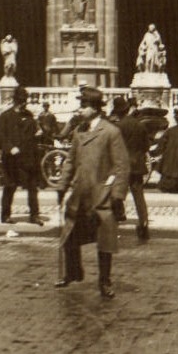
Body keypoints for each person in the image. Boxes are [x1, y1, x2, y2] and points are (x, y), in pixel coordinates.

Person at [55, 85, 130, 298]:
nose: (80, 110)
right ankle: (73, 272)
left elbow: (121, 166)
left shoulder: (110, 132)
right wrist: (62, 185)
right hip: (80, 193)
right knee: (70, 233)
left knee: (105, 240)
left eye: (84, 106)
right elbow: (70, 160)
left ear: (96, 108)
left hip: (101, 195)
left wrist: (117, 194)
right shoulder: (79, 132)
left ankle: (105, 281)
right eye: (80, 105)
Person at [112, 96, 166, 240]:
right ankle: (143, 224)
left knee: (117, 195)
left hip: (122, 166)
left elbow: (114, 149)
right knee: (139, 197)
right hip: (137, 165)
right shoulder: (139, 125)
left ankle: (117, 222)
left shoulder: (117, 127)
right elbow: (146, 146)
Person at [0, 87, 44, 226]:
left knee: (32, 187)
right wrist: (9, 148)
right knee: (10, 186)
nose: (22, 104)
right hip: (12, 159)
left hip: (28, 157)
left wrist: (38, 133)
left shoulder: (29, 115)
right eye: (20, 102)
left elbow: (35, 131)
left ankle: (34, 215)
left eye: (24, 102)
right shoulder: (5, 117)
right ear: (15, 101)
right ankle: (5, 215)